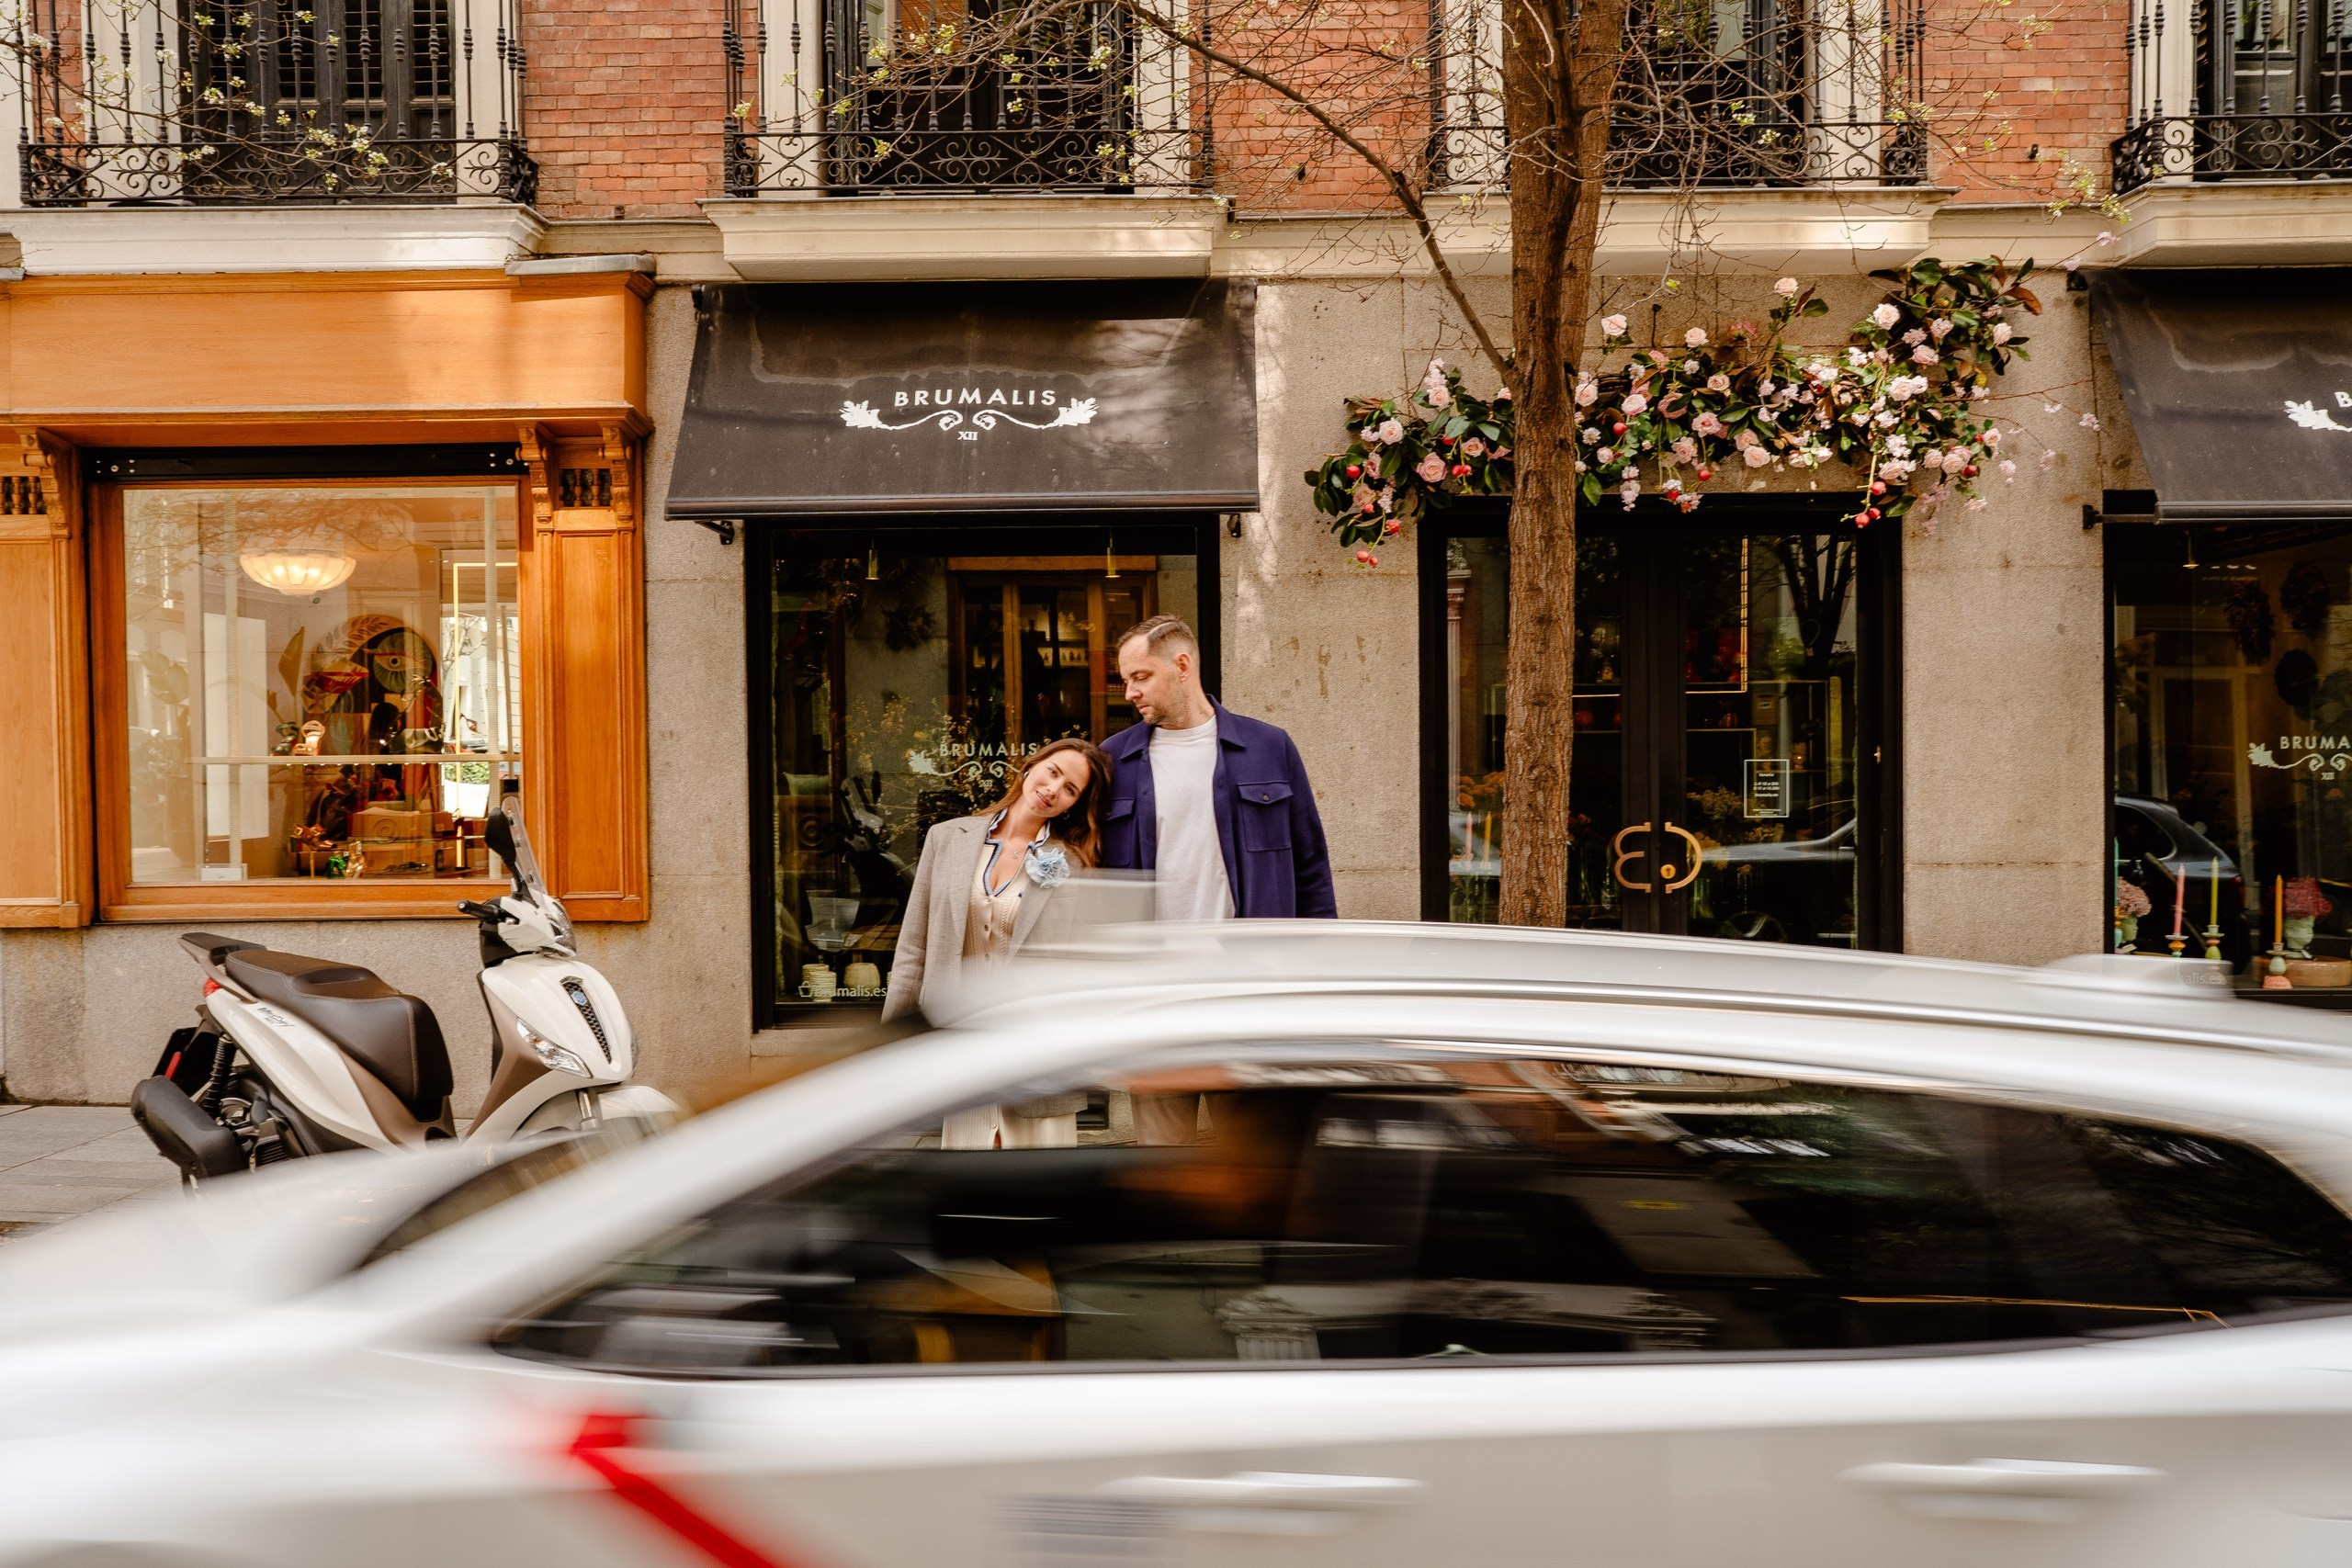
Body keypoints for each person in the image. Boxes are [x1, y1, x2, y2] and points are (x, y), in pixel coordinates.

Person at [882, 737, 1114, 1147]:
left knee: (1036, 1194)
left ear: (1072, 805)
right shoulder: (945, 838)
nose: (1053, 789)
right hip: (959, 1052)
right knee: (968, 1190)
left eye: (1070, 790)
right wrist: (888, 1045)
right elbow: (913, 950)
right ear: (1032, 766)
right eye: (1053, 772)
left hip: (1034, 1060)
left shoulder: (1074, 864)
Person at [1101, 614, 1336, 921]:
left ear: (1182, 666)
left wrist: (1320, 949)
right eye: (1126, 681)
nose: (1130, 693)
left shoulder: (1268, 747)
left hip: (1250, 960)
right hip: (1151, 963)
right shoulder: (1113, 759)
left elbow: (1311, 861)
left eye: (1141, 677)